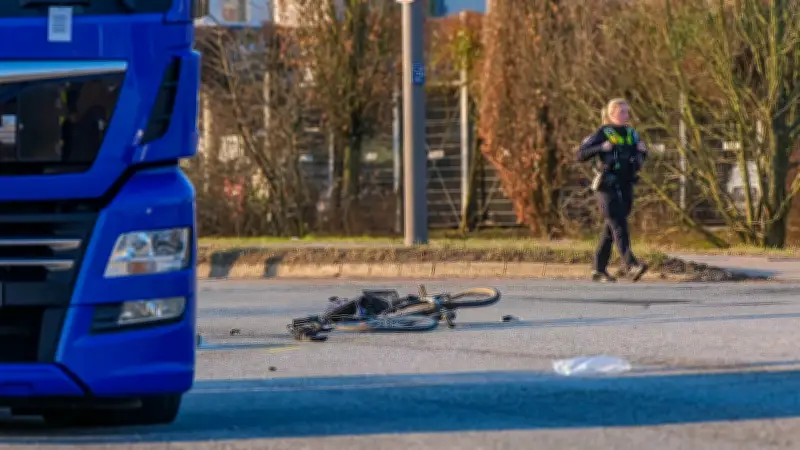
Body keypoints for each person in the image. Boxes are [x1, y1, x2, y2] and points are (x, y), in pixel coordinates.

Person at [576, 98, 649, 282]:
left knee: (612, 227)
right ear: (612, 114)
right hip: (606, 185)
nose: (626, 115)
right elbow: (581, 154)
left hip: (626, 184)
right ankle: (631, 264)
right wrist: (601, 147)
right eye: (622, 111)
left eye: (627, 111)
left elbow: (638, 156)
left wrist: (642, 151)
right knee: (618, 224)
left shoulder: (631, 133)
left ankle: (598, 269)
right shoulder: (603, 133)